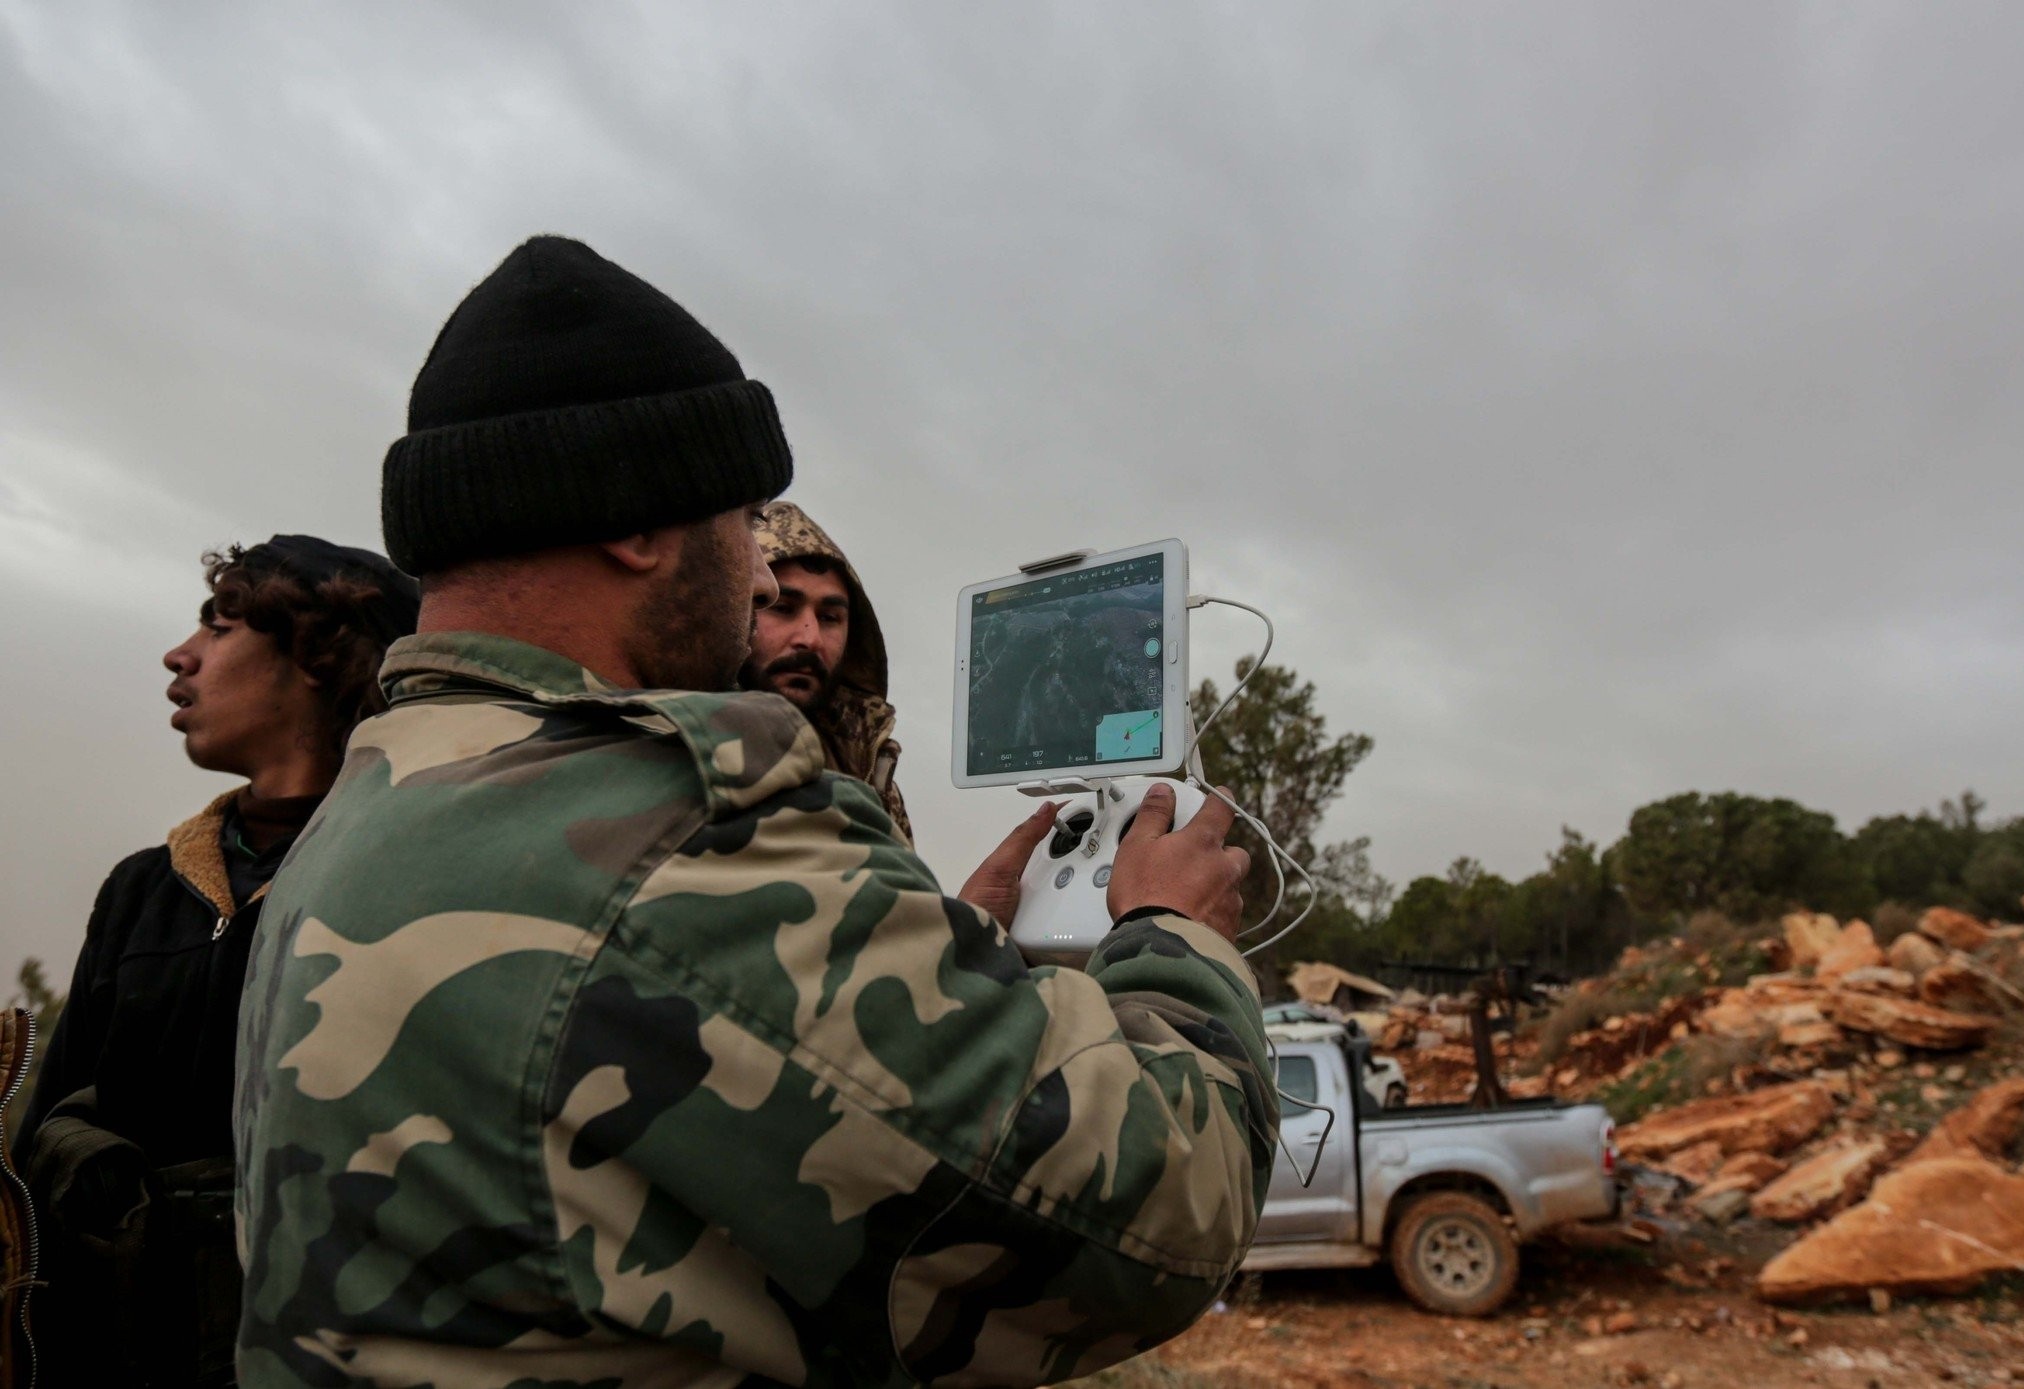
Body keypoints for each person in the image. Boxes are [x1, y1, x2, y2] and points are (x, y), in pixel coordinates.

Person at [234, 235, 1275, 1389]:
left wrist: (926, 952)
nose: (758, 587)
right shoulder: (672, 838)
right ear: (639, 522)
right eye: (743, 524)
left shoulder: (370, 804)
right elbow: (1163, 1214)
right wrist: (1176, 940)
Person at [18, 536, 418, 1388]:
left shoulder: (409, 867)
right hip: (122, 1348)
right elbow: (40, 1137)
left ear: (320, 654)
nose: (180, 652)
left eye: (221, 623)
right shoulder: (143, 887)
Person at [744, 500, 913, 842]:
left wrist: (977, 897)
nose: (810, 638)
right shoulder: (666, 742)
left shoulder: (870, 775)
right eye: (784, 608)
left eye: (829, 617)